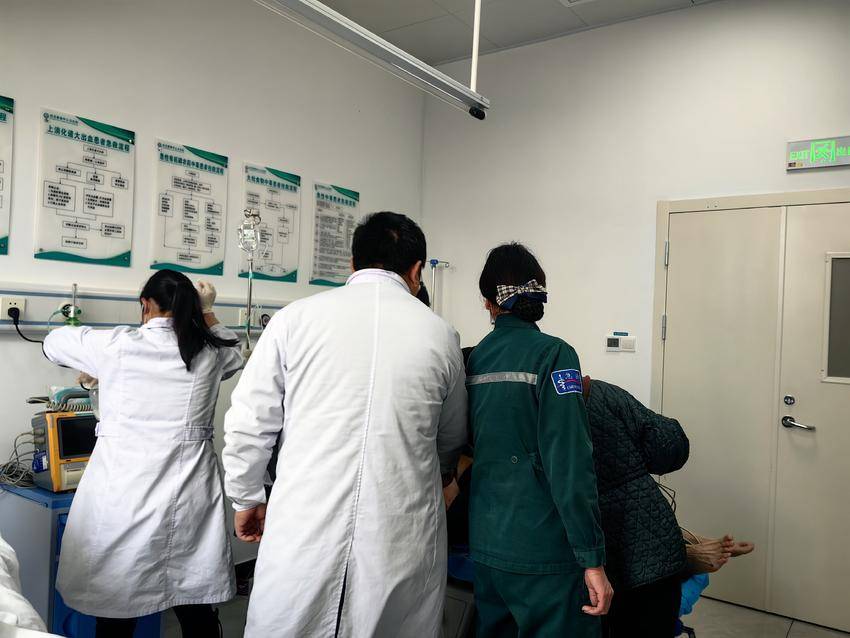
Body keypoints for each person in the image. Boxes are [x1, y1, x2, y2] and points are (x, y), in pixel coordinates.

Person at [222, 212, 468, 637]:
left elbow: (250, 421)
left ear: (352, 263)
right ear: (416, 271)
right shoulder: (440, 334)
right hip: (399, 527)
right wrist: (444, 473)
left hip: (304, 525)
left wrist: (246, 496)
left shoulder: (293, 319)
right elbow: (451, 435)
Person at [43, 271, 242, 638]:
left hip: (125, 496)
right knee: (194, 604)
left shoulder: (117, 345)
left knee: (118, 604)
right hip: (189, 496)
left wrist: (98, 366)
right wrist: (207, 312)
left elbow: (52, 343)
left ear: (145, 304)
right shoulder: (209, 351)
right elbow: (235, 352)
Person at [466, 243, 613, 637]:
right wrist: (592, 558)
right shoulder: (555, 354)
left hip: (488, 547)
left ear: (488, 302)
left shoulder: (474, 359)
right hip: (543, 550)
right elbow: (569, 462)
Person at [581, 375, 690, 637]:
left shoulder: (520, 412)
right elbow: (669, 448)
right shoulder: (596, 391)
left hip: (593, 561)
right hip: (651, 547)